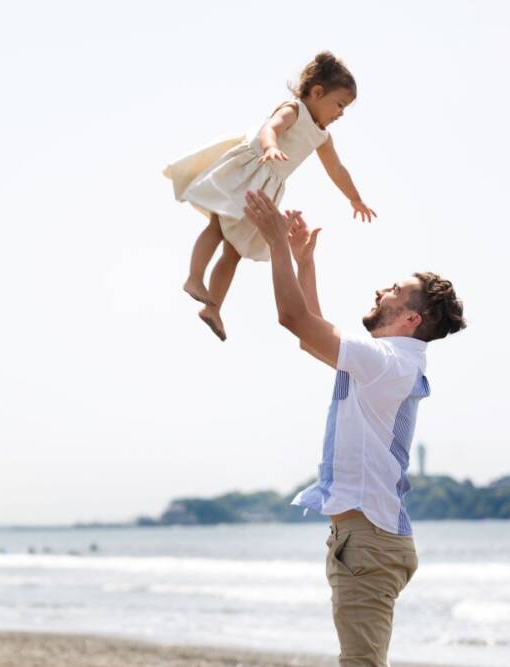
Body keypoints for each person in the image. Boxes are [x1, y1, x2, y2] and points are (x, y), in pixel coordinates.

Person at [242, 191, 466, 667]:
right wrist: (305, 261)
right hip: (364, 540)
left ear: (410, 318)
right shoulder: (387, 363)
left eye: (394, 291)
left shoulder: (387, 363)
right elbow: (312, 337)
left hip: (368, 541)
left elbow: (294, 320)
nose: (381, 290)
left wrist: (278, 244)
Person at [164, 51, 376, 341]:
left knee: (234, 250)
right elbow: (270, 128)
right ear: (317, 92)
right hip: (249, 171)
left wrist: (355, 198)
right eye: (338, 104)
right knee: (217, 226)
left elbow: (336, 169)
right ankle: (194, 277)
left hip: (266, 186)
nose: (340, 113)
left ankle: (212, 308)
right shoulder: (295, 110)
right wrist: (270, 148)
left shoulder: (322, 136)